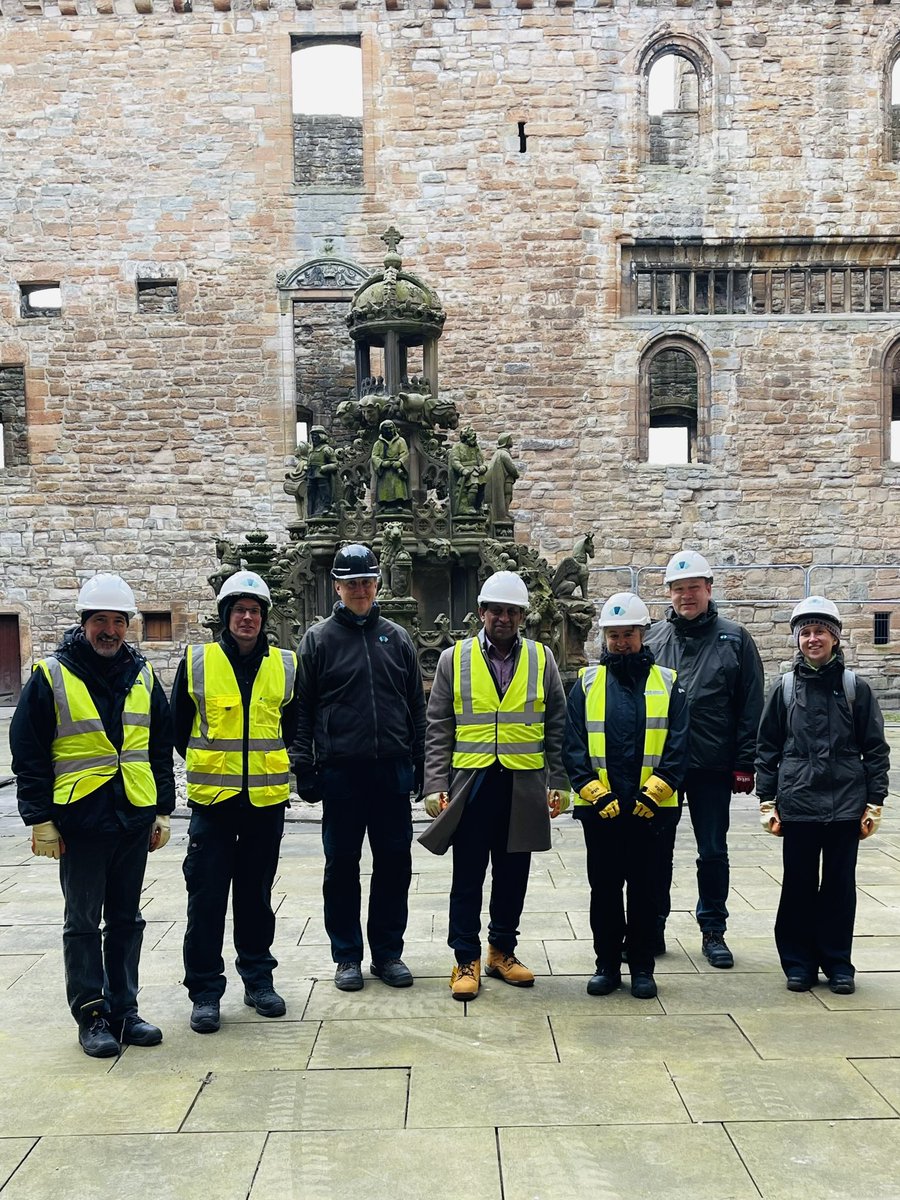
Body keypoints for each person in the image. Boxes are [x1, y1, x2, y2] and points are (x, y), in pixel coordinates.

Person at [10, 573, 175, 1058]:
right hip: (79, 821)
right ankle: (92, 1014)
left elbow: (159, 748)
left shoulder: (142, 675)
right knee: (83, 921)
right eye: (100, 620)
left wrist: (162, 809)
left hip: (132, 818)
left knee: (127, 919)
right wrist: (39, 818)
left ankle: (125, 1009)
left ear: (128, 625)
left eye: (118, 621)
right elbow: (29, 751)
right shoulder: (51, 676)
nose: (110, 630)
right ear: (83, 623)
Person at [419, 570, 568, 1000]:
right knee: (467, 875)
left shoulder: (542, 659)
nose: (503, 618)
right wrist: (434, 783)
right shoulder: (454, 659)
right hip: (472, 783)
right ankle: (464, 957)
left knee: (512, 875)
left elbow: (557, 723)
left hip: (522, 785)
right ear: (481, 612)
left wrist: (558, 780)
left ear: (521, 615)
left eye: (511, 611)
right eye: (495, 610)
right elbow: (438, 726)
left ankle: (501, 951)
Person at [290, 544, 426, 993]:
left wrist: (423, 761)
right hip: (342, 773)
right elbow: (303, 708)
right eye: (352, 583)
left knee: (394, 863)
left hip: (391, 771)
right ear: (338, 587)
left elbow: (415, 704)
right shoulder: (318, 640)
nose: (361, 590)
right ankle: (346, 955)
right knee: (342, 866)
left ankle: (388, 953)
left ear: (376, 584)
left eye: (367, 582)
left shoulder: (397, 637)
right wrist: (304, 765)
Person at [172, 570, 298, 1033]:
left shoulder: (285, 663)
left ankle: (258, 980)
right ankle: (205, 992)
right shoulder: (199, 660)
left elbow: (293, 724)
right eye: (239, 611)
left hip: (265, 803)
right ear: (226, 616)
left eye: (255, 611)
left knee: (255, 896)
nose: (248, 618)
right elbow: (179, 726)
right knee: (205, 899)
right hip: (215, 803)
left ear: (264, 618)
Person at [756, 597, 889, 994]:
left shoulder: (854, 689)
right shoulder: (784, 689)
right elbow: (767, 748)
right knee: (797, 883)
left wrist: (875, 801)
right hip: (797, 803)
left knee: (838, 885)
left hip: (846, 803)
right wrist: (767, 800)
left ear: (835, 638)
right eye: (806, 633)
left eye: (821, 632)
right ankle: (798, 963)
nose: (813, 639)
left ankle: (837, 963)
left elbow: (875, 748)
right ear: (797, 639)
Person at [563, 593, 689, 999]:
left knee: (646, 891)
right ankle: (606, 965)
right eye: (614, 635)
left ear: (642, 634)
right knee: (604, 890)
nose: (621, 642)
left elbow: (678, 746)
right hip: (601, 812)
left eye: (628, 634)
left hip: (652, 813)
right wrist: (596, 794)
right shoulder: (586, 683)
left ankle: (642, 968)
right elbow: (574, 746)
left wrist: (653, 795)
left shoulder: (668, 683)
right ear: (604, 636)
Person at [644, 550, 764, 968]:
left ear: (709, 589)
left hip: (713, 763)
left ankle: (713, 929)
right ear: (669, 594)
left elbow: (751, 704)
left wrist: (745, 762)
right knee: (655, 850)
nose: (686, 596)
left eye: (694, 587)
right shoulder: (654, 638)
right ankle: (651, 926)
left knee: (712, 850)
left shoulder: (735, 638)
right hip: (662, 765)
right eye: (679, 589)